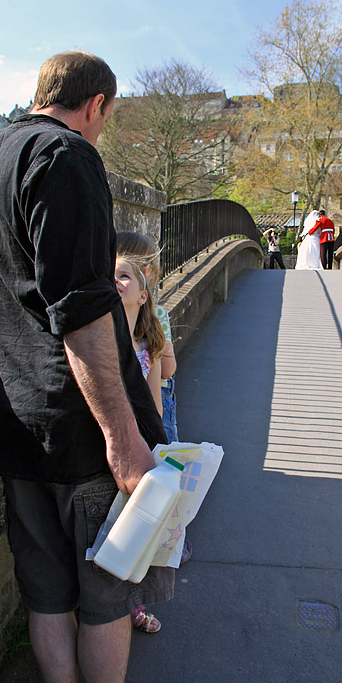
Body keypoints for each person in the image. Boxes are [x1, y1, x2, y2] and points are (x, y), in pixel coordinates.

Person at [0, 51, 182, 683]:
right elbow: (82, 310)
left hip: (13, 419)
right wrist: (122, 435)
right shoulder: (69, 157)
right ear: (98, 105)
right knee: (106, 595)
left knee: (47, 592)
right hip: (80, 429)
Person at [116, 232, 192, 566]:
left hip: (148, 406)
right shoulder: (158, 316)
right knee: (169, 463)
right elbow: (168, 372)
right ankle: (175, 539)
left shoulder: (134, 326)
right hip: (158, 401)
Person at [114, 251, 166, 635]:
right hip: (110, 448)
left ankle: (135, 601)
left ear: (143, 295)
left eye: (125, 276)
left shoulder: (146, 344)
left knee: (138, 530)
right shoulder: (100, 341)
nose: (116, 281)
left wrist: (159, 452)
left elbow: (156, 405)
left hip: (140, 447)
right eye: (111, 275)